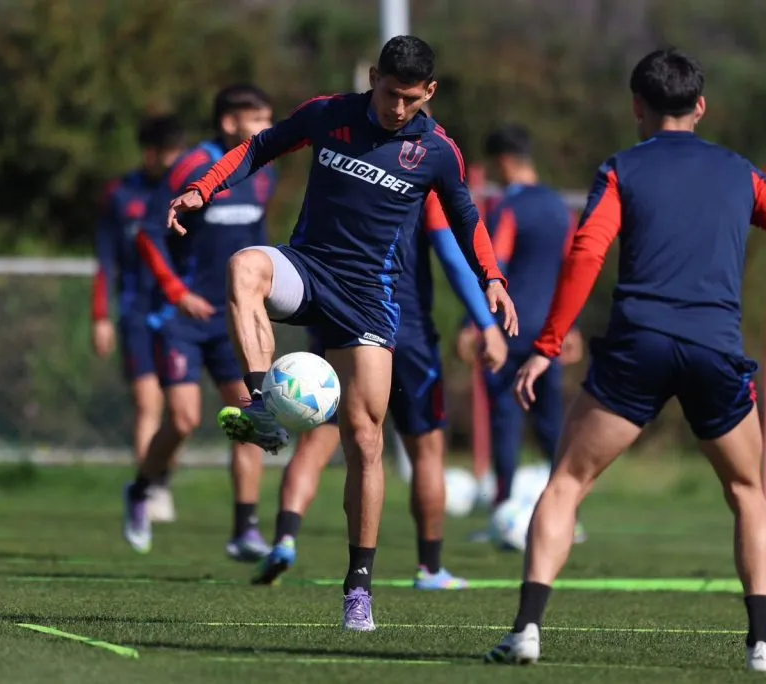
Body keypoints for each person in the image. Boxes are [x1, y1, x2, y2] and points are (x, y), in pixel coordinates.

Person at [483, 48, 766, 672]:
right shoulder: (740, 173)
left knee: (567, 483)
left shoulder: (621, 169)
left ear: (637, 106)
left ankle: (527, 631)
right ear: (700, 106)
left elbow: (586, 252)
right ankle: (762, 646)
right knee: (748, 492)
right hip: (714, 349)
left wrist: (547, 346)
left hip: (638, 347)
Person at [163, 35, 516, 631]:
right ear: (373, 77)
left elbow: (465, 217)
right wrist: (204, 186)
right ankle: (262, 405)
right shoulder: (329, 114)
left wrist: (493, 278)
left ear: (429, 92)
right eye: (389, 93)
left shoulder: (437, 152)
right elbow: (258, 147)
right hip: (308, 269)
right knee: (244, 266)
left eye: (410, 99)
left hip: (369, 300)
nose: (397, 108)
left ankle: (358, 588)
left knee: (364, 438)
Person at [252, 188, 508, 590]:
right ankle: (430, 569)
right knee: (426, 450)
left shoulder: (347, 177)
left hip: (341, 325)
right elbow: (453, 257)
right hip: (407, 334)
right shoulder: (422, 182)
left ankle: (285, 539)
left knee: (316, 440)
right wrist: (485, 323)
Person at [122, 84, 279, 561]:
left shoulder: (263, 172)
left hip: (232, 319)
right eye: (259, 120)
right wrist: (178, 293)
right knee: (184, 419)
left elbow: (258, 240)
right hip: (183, 319)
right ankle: (141, 489)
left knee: (251, 415)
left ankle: (245, 530)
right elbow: (149, 233)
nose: (268, 128)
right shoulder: (194, 166)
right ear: (230, 122)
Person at [457, 125, 584, 545]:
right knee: (551, 425)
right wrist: (571, 326)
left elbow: (494, 267)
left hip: (509, 332)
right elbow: (572, 271)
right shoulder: (560, 209)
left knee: (506, 421)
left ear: (504, 162)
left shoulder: (508, 208)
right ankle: (570, 517)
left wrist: (472, 324)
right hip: (549, 335)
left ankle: (502, 513)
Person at [92, 114, 186, 523]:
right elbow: (105, 260)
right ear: (150, 153)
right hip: (136, 312)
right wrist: (101, 316)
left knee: (180, 411)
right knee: (148, 404)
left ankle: (161, 478)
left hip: (178, 314)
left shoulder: (189, 193)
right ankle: (150, 489)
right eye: (168, 152)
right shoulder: (120, 195)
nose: (175, 160)